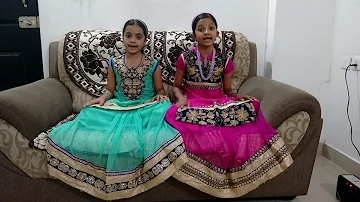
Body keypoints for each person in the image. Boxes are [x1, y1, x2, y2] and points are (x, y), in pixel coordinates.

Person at [45, 19, 188, 201]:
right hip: (120, 105)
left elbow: (159, 89)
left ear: (145, 41)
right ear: (123, 38)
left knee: (166, 111)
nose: (133, 40)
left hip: (145, 107)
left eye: (138, 37)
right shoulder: (114, 63)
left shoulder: (153, 64)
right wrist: (102, 98)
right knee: (88, 112)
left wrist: (160, 95)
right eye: (128, 36)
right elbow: (110, 90)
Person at [165, 13, 294, 198]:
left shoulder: (225, 60)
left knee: (251, 107)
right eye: (201, 29)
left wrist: (237, 96)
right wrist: (180, 99)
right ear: (194, 35)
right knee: (175, 115)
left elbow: (228, 90)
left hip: (219, 102)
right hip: (193, 103)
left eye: (211, 28)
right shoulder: (184, 58)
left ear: (217, 33)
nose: (206, 32)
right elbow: (177, 87)